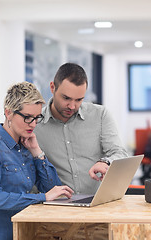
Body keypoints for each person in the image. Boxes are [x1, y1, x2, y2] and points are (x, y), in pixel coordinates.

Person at [0, 82, 73, 240]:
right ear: (8, 113)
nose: (33, 124)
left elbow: (54, 189)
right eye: (27, 117)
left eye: (36, 118)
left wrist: (37, 153)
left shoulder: (27, 147)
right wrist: (42, 197)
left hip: (22, 233)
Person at [34, 63, 128, 195]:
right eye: (66, 98)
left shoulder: (100, 115)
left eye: (79, 100)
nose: (72, 106)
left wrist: (105, 162)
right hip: (58, 206)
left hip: (98, 203)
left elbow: (120, 153)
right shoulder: (35, 124)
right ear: (52, 87)